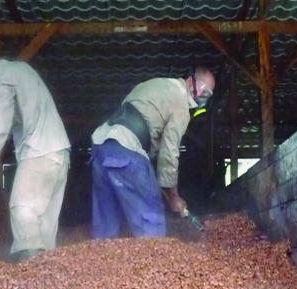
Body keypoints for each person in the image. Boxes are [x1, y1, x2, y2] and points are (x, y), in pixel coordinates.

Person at [0, 39, 71, 261]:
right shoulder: (21, 70)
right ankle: (47, 280)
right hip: (59, 153)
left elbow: (0, 115)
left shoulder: (2, 76)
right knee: (44, 223)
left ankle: (31, 273)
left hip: (39, 152)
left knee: (21, 208)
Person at [90, 67, 215, 238]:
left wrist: (161, 185)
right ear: (194, 83)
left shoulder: (157, 85)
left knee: (107, 219)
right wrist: (174, 196)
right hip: (126, 149)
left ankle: (101, 258)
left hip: (101, 146)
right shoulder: (180, 103)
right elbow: (169, 153)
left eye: (208, 94)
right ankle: (155, 259)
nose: (203, 95)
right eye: (205, 90)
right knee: (150, 212)